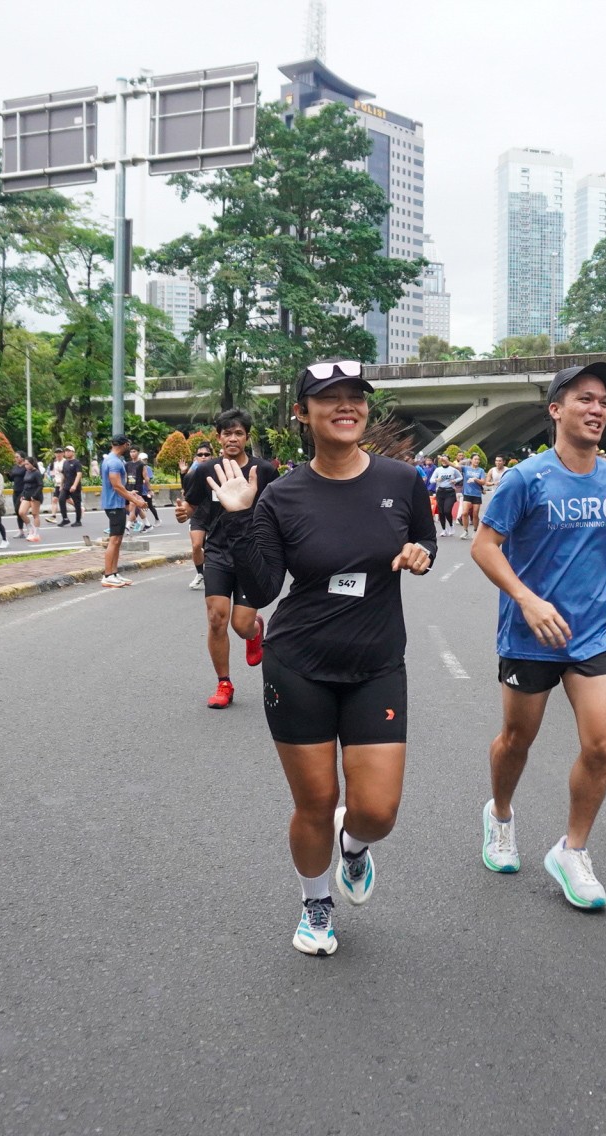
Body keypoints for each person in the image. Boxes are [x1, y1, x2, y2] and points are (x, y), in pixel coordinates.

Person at [211, 358, 436, 956]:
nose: (346, 406)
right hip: (298, 664)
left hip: (377, 664)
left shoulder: (402, 481)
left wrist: (421, 554)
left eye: (355, 396)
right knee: (315, 803)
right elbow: (262, 588)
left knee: (377, 811)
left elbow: (425, 538)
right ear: (302, 413)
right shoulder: (281, 495)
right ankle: (316, 904)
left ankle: (354, 846)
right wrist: (239, 517)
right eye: (329, 397)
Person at [471, 361, 606, 912]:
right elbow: (484, 546)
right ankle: (500, 815)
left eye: (603, 402)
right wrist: (526, 599)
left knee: (601, 745)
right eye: (584, 399)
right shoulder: (526, 479)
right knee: (516, 740)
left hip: (591, 634)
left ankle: (572, 850)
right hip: (530, 635)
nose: (597, 409)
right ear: (556, 410)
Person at [181, 409, 279, 704]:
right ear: (218, 437)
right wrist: (183, 513)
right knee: (216, 618)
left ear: (247, 437)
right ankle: (224, 683)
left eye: (238, 433)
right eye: (227, 433)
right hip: (218, 552)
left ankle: (255, 630)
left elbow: (278, 509)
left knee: (241, 625)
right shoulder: (206, 470)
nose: (232, 438)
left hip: (251, 553)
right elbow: (192, 505)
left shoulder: (264, 471)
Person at [98, 434, 136, 588]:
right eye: (128, 445)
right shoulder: (114, 462)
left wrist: (129, 494)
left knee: (118, 539)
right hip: (114, 504)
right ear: (124, 444)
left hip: (116, 503)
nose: (129, 447)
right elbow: (117, 486)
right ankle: (108, 575)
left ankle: (114, 572)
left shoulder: (112, 459)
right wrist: (135, 500)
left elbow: (118, 486)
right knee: (114, 540)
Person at [179, 443, 214, 589]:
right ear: (195, 458)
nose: (203, 457)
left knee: (212, 548)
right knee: (196, 545)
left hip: (215, 516)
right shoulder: (190, 475)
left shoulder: (218, 473)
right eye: (200, 455)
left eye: (206, 454)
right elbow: (186, 495)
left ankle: (215, 574)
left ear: (212, 456)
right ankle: (200, 573)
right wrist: (183, 474)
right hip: (198, 515)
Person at [429, 455, 461, 535]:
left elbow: (460, 477)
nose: (444, 461)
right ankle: (444, 529)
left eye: (445, 460)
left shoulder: (453, 469)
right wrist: (437, 479)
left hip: (450, 492)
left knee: (447, 511)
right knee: (441, 512)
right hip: (440, 492)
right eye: (442, 460)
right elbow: (431, 480)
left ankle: (451, 525)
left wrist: (455, 480)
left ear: (448, 461)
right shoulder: (438, 469)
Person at [16, 455, 45, 542]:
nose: (26, 466)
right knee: (21, 512)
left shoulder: (36, 473)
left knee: (35, 514)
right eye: (25, 464)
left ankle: (36, 534)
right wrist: (23, 495)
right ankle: (30, 528)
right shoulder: (27, 472)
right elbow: (25, 485)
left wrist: (35, 495)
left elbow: (40, 485)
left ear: (33, 463)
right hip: (27, 495)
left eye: (27, 464)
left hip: (35, 496)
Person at [458, 454, 486, 540]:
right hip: (467, 494)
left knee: (475, 514)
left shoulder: (481, 470)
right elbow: (456, 466)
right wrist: (446, 461)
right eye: (475, 459)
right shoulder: (466, 468)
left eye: (478, 459)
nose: (477, 461)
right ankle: (465, 531)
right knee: (464, 513)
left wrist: (475, 479)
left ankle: (475, 530)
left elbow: (483, 482)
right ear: (471, 460)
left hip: (477, 494)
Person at [57, 446, 84, 527]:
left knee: (77, 503)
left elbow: (79, 474)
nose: (67, 452)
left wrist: (74, 485)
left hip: (75, 486)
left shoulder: (76, 462)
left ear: (73, 452)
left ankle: (78, 521)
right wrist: (61, 485)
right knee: (61, 499)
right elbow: (63, 475)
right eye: (66, 451)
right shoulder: (65, 462)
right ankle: (65, 519)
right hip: (66, 486)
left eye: (69, 451)